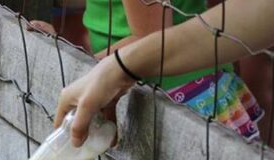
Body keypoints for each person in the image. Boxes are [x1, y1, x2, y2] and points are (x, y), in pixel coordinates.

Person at [54, 0, 274, 147]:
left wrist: (83, 66)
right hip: (156, 95)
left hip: (179, 106)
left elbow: (150, 38)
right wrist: (61, 48)